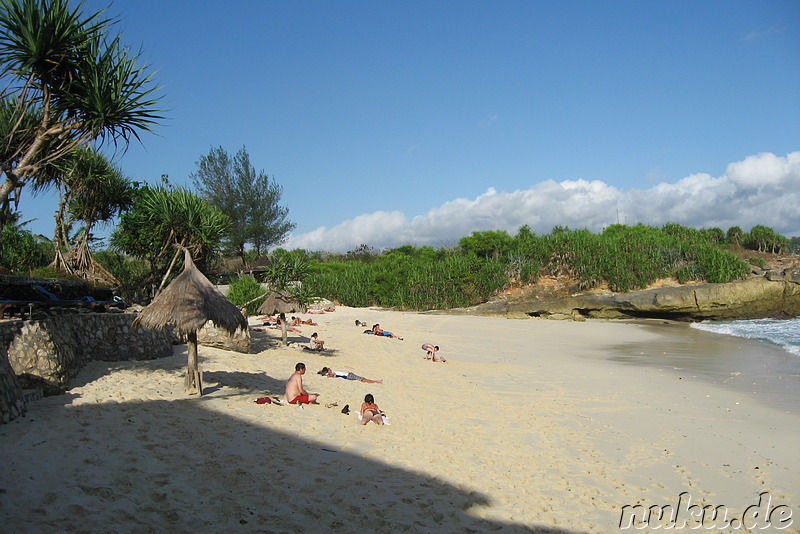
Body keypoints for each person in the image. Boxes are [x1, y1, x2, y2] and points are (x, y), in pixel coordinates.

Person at [317, 366, 382, 384]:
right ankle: (376, 381)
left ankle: (375, 381)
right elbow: (331, 375)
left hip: (348, 374)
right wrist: (328, 373)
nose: (330, 369)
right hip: (347, 376)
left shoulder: (331, 373)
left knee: (362, 378)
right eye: (328, 369)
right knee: (362, 379)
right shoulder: (331, 374)